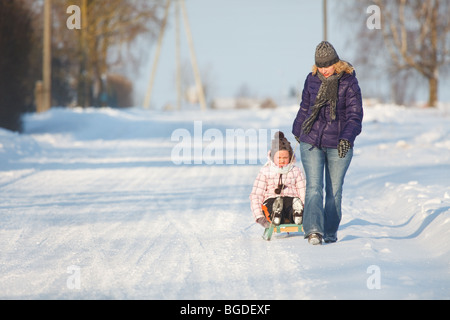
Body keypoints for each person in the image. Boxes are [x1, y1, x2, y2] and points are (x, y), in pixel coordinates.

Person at [292, 41, 363, 245]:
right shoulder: (311, 79)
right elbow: (305, 107)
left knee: (334, 191)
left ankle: (330, 232)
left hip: (339, 143)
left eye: (327, 65)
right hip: (311, 140)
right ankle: (314, 231)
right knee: (314, 187)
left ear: (336, 62)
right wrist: (298, 130)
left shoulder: (348, 82)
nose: (324, 70)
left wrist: (346, 138)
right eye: (320, 66)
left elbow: (355, 115)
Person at [250, 131, 306, 229]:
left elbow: (303, 191)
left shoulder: (296, 171)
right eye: (279, 157)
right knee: (271, 205)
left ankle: (297, 214)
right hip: (271, 199)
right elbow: (256, 194)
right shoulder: (265, 171)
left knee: (292, 204)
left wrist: (306, 207)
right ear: (272, 157)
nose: (282, 160)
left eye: (285, 157)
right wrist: (259, 216)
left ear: (290, 157)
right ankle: (275, 214)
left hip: (291, 199)